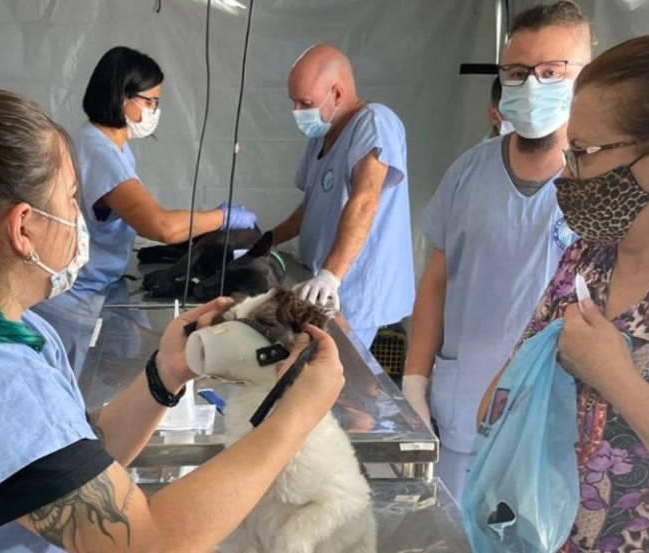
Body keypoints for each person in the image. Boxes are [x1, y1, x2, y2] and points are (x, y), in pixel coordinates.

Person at [0, 83, 345, 552]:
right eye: (70, 200)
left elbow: (66, 462)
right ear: (24, 228)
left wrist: (166, 375)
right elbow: (146, 541)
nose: (78, 218)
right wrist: (291, 420)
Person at [477, 32, 649, 552]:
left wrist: (614, 378)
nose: (569, 174)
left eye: (583, 153)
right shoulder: (591, 256)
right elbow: (496, 407)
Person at [402, 1, 589, 500]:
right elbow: (436, 282)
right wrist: (414, 383)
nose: (531, 86)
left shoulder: (600, 183)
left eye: (551, 73)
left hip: (556, 422)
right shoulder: (467, 173)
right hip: (464, 412)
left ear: (584, 79)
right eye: (517, 72)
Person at [32, 46, 258, 375]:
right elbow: (159, 225)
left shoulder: (105, 143)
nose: (154, 111)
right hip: (74, 298)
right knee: (77, 389)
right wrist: (223, 217)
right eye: (149, 101)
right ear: (120, 96)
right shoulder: (100, 153)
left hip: (94, 287)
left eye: (157, 102)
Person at [269, 44, 415, 350]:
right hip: (320, 285)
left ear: (337, 93)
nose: (297, 111)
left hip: (352, 289)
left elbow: (365, 199)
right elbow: (311, 208)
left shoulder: (373, 122)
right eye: (293, 102)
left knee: (338, 378)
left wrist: (330, 276)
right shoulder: (322, 135)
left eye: (305, 102)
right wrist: (268, 239)